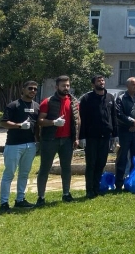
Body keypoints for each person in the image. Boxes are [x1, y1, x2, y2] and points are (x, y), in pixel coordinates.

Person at [36, 75, 80, 206]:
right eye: (63, 86)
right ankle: (41, 197)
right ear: (56, 87)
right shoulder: (47, 102)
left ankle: (66, 194)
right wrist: (54, 122)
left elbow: (78, 120)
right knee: (45, 168)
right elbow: (40, 121)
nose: (66, 88)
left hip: (67, 140)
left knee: (66, 168)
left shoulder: (73, 101)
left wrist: (76, 137)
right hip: (50, 140)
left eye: (68, 85)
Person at [0, 81, 40, 213]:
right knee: (9, 174)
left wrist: (39, 141)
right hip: (14, 145)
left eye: (35, 89)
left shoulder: (36, 106)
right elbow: (4, 123)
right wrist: (19, 125)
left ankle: (20, 199)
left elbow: (38, 125)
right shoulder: (13, 105)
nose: (33, 91)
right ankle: (4, 203)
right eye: (30, 88)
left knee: (24, 174)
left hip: (30, 145)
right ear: (23, 89)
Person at [79, 74, 118, 199]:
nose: (101, 82)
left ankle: (97, 188)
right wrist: (82, 137)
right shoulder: (86, 98)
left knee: (101, 163)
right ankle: (89, 190)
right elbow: (82, 119)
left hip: (105, 136)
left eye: (102, 80)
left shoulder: (110, 97)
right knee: (91, 164)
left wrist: (115, 135)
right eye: (98, 80)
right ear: (93, 84)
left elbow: (114, 117)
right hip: (91, 137)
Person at [114, 77, 135, 190]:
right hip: (125, 132)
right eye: (133, 84)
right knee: (122, 157)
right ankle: (119, 183)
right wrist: (132, 122)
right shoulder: (120, 98)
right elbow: (119, 114)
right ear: (127, 85)